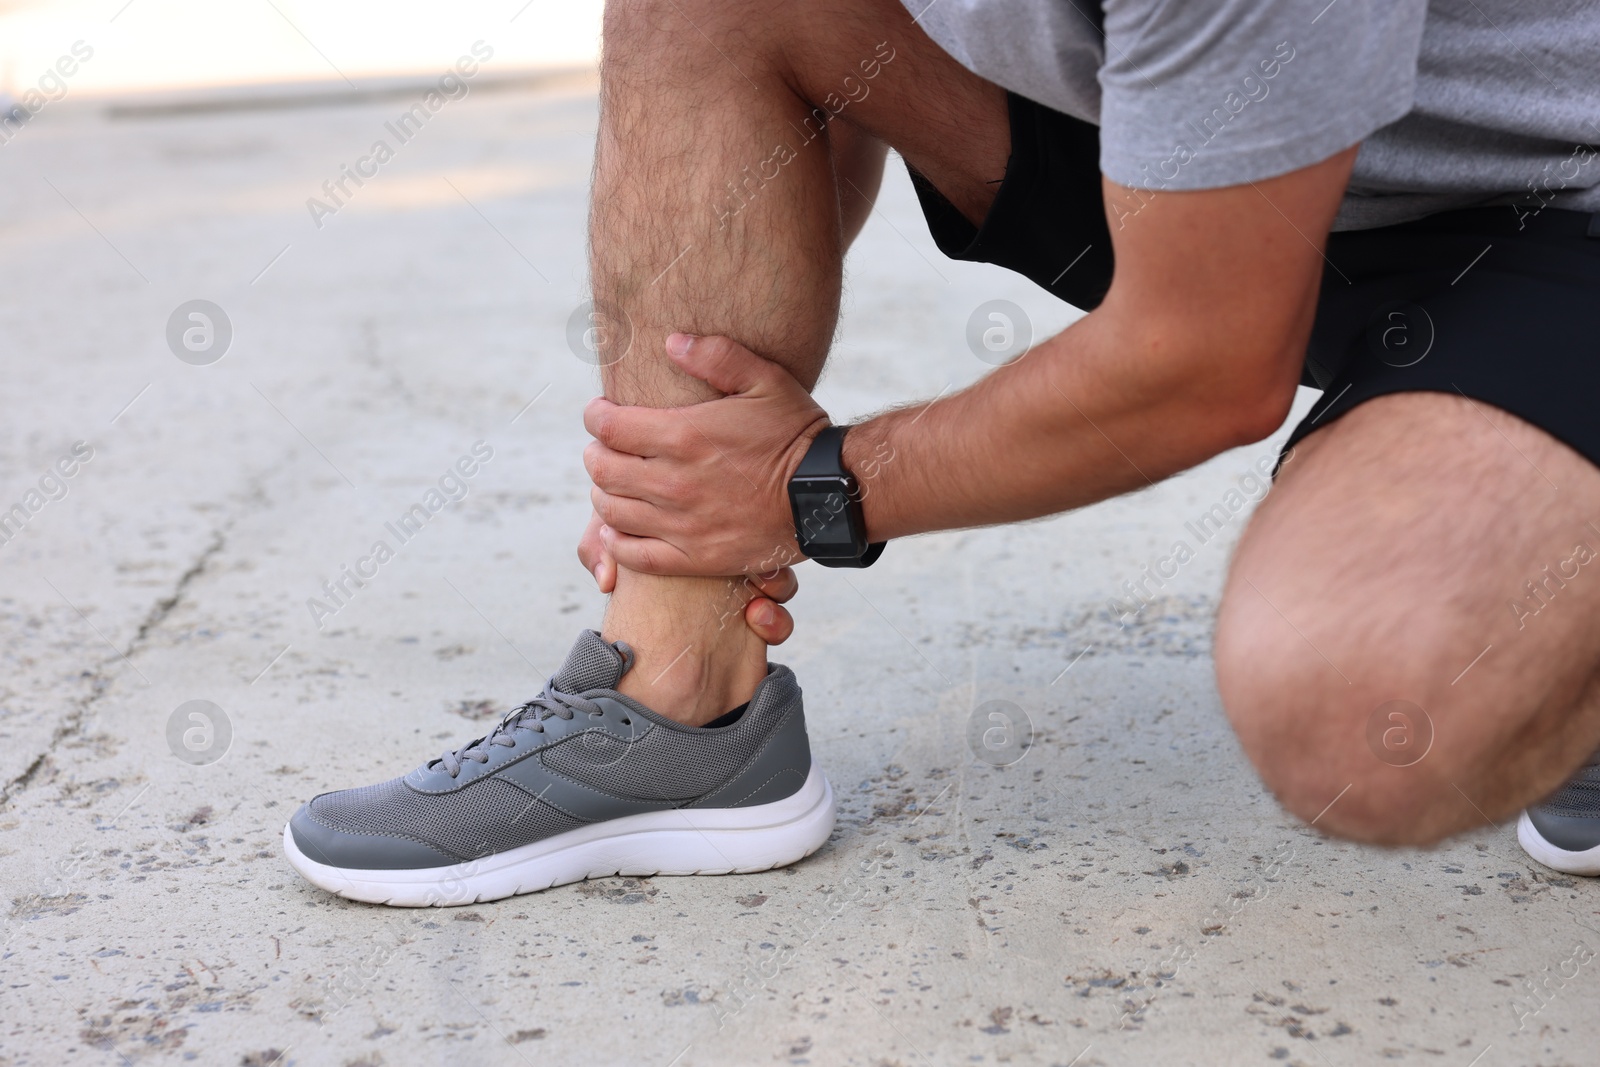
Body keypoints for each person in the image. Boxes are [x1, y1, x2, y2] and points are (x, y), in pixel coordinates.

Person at [282, 0, 1600, 904]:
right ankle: (672, 696)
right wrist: (689, 507)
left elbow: (1205, 365)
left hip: (1562, 222)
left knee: (1364, 717)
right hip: (1251, 179)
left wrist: (807, 487)